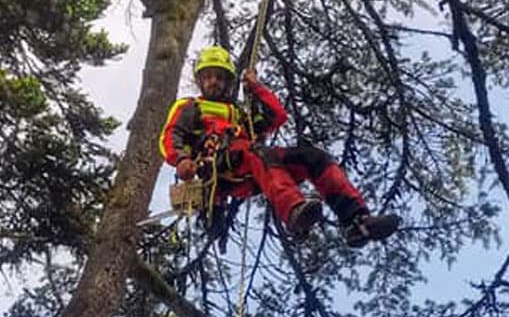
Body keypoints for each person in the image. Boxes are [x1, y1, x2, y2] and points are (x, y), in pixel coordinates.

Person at [158, 45, 400, 247]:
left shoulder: (240, 114)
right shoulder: (191, 107)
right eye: (209, 76)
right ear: (200, 80)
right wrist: (181, 160)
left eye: (220, 77)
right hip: (219, 166)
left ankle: (357, 221)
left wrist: (256, 87)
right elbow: (172, 135)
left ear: (228, 81)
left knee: (312, 157)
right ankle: (293, 212)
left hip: (254, 168)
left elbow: (276, 116)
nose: (214, 82)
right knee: (254, 151)